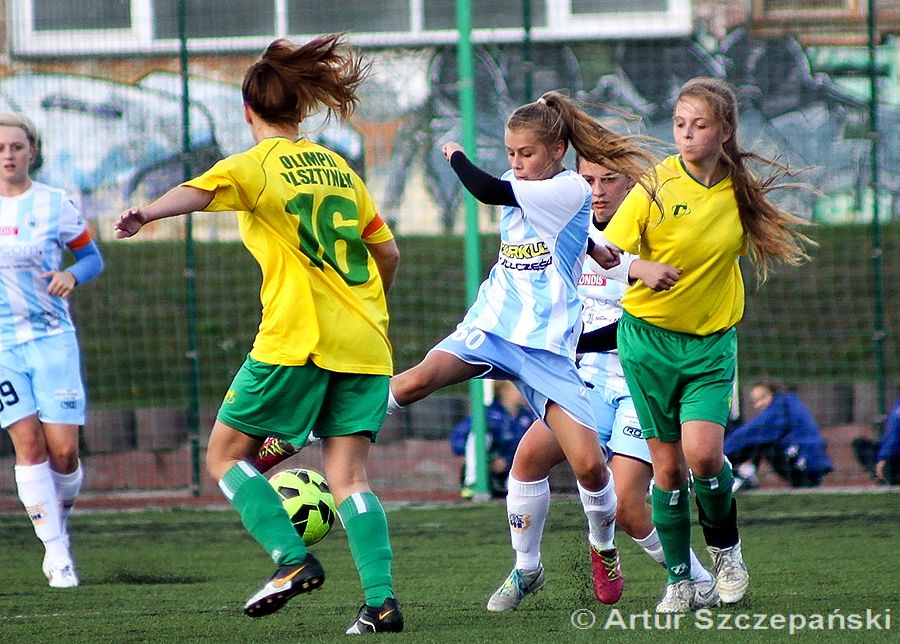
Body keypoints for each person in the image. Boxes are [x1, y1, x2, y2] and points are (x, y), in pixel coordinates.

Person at [114, 35, 404, 635]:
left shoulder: (254, 166)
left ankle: (291, 559)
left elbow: (198, 191)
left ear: (247, 111)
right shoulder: (340, 169)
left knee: (224, 456)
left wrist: (147, 213)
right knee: (351, 479)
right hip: (366, 342)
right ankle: (381, 603)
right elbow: (388, 252)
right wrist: (366, 309)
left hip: (296, 340)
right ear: (301, 108)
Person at [387, 90, 659, 611]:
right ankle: (313, 430)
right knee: (417, 380)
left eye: (526, 153)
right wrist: (602, 252)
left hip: (549, 350)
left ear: (557, 150)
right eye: (511, 153)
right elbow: (567, 235)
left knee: (589, 468)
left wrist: (453, 153)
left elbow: (486, 190)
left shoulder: (568, 187)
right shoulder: (529, 187)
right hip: (493, 326)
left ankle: (603, 547)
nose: (515, 163)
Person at [600, 77, 815, 613]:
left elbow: (758, 235)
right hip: (647, 344)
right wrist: (639, 267)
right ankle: (680, 580)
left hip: (710, 348)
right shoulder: (655, 185)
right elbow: (600, 248)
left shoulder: (741, 190)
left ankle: (727, 554)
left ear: (725, 130)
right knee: (668, 470)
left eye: (699, 125)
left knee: (703, 455)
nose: (687, 134)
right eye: (679, 124)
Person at [0, 112, 105, 588]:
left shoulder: (54, 204)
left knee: (63, 453)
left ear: (32, 152)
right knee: (28, 444)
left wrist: (71, 275)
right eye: (1, 148)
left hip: (52, 339)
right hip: (3, 346)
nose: (8, 155)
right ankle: (57, 553)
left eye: (16, 147)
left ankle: (57, 526)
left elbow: (91, 258)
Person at [726, 378, 832, 490]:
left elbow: (749, 433)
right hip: (810, 464)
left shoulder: (780, 408)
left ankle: (743, 476)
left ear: (774, 393)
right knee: (759, 439)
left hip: (805, 465)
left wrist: (722, 452)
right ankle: (745, 475)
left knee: (762, 442)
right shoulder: (789, 403)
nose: (758, 404)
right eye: (755, 402)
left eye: (762, 398)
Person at [449, 380, 535, 499]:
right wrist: (488, 460)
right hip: (489, 466)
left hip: (513, 467)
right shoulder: (486, 413)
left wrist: (507, 461)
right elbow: (458, 438)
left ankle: (523, 488)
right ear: (504, 391)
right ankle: (473, 483)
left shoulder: (528, 417)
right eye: (517, 388)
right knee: (480, 434)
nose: (523, 392)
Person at [853, 396, 900, 486]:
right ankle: (881, 476)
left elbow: (893, 437)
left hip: (893, 454)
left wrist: (883, 459)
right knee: (860, 444)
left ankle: (885, 476)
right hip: (890, 449)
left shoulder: (897, 412)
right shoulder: (896, 407)